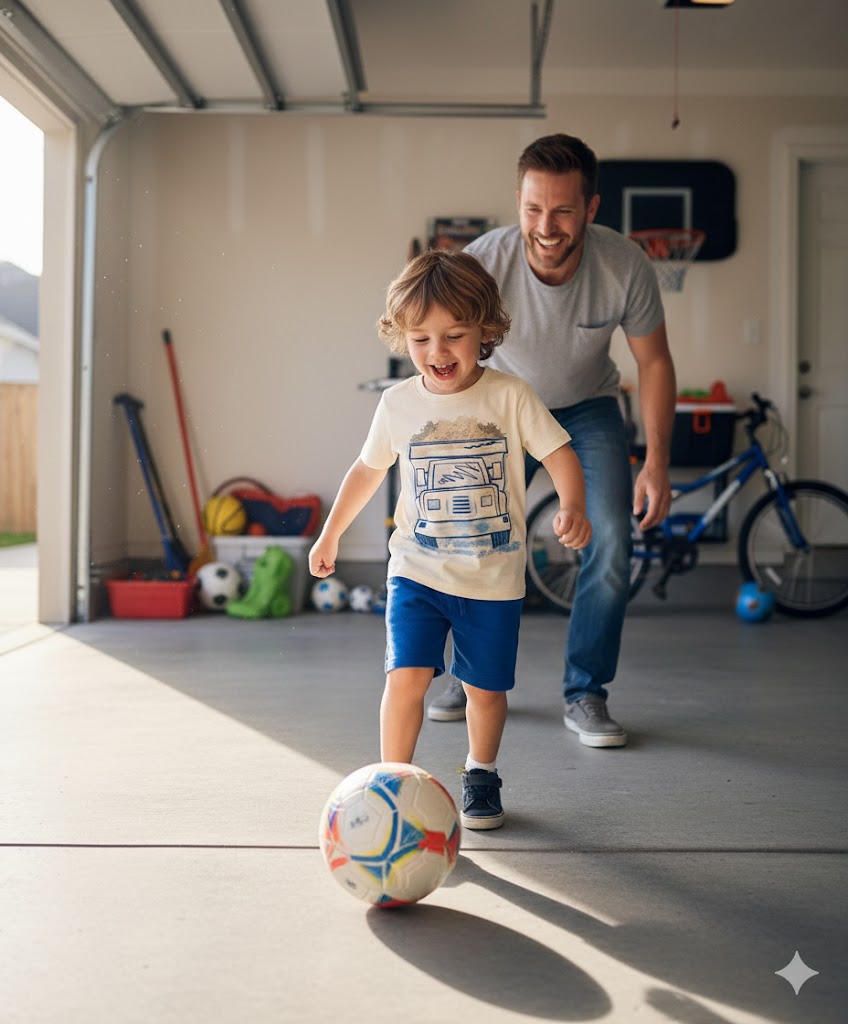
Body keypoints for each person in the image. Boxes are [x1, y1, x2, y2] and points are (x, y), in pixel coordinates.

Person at [309, 249, 591, 829]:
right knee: (404, 677)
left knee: (484, 691)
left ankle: (481, 773)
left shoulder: (510, 396)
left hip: (492, 579)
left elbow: (560, 453)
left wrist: (572, 503)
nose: (437, 352)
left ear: (486, 331)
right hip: (416, 570)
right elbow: (366, 472)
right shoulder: (397, 404)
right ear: (401, 338)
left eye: (454, 335)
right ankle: (393, 785)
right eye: (420, 339)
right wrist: (330, 532)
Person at [427, 132, 676, 748]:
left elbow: (656, 364)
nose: (547, 225)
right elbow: (446, 346)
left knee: (613, 539)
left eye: (563, 210)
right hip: (506, 406)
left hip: (589, 409)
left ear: (590, 209)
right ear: (518, 201)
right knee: (472, 535)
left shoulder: (624, 265)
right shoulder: (484, 262)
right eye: (534, 208)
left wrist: (657, 464)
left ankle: (586, 690)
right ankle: (465, 674)